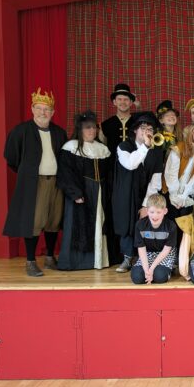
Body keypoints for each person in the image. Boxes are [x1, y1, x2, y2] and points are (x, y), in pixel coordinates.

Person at [3, 88, 67, 276]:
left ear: (53, 112)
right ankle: (30, 261)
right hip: (34, 183)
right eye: (39, 108)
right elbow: (11, 157)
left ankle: (49, 257)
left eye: (47, 109)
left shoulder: (59, 132)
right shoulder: (21, 131)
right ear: (32, 109)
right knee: (34, 221)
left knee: (54, 220)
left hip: (56, 182)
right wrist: (27, 174)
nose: (42, 112)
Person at [57, 110, 112, 270]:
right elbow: (66, 172)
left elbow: (109, 174)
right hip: (81, 191)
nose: (92, 130)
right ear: (80, 130)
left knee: (99, 223)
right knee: (79, 225)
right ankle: (77, 262)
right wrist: (75, 193)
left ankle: (98, 260)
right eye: (88, 128)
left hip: (99, 192)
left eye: (94, 127)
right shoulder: (71, 147)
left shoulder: (102, 149)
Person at [113, 112, 163, 273]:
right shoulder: (124, 146)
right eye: (143, 128)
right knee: (127, 223)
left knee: (146, 223)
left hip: (145, 193)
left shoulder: (156, 150)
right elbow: (130, 164)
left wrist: (146, 205)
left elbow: (156, 179)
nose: (147, 131)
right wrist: (145, 146)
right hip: (126, 193)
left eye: (150, 129)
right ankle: (127, 257)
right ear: (135, 130)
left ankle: (144, 258)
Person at [163, 123, 194, 220]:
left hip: (186, 196)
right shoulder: (179, 147)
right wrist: (174, 194)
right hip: (170, 192)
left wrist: (184, 196)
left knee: (184, 223)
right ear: (191, 135)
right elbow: (171, 173)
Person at [131, 193, 177, 284]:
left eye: (158, 212)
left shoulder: (171, 226)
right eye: (152, 212)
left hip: (164, 254)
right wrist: (146, 270)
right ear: (147, 211)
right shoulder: (140, 225)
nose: (155, 216)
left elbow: (166, 250)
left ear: (165, 211)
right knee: (137, 278)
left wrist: (151, 269)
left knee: (159, 277)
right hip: (148, 253)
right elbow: (141, 249)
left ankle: (170, 269)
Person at [100, 83, 136, 164]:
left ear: (131, 102)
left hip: (135, 166)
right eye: (119, 99)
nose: (123, 102)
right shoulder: (105, 125)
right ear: (114, 102)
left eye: (126, 99)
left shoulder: (138, 123)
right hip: (112, 167)